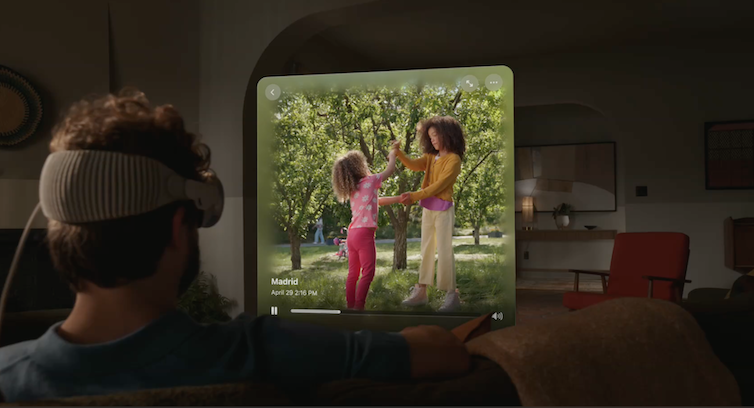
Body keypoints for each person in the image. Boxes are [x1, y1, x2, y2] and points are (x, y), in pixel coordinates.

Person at [0, 91, 470, 403]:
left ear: (58, 233)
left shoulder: (8, 375)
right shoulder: (267, 350)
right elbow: (442, 354)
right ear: (187, 222)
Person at [392, 117, 466, 312]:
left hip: (443, 210)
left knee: (444, 250)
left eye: (435, 136)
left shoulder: (454, 160)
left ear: (447, 135)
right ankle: (421, 291)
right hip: (428, 208)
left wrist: (414, 196)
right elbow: (414, 164)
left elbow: (438, 186)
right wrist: (399, 153)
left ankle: (451, 294)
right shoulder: (431, 157)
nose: (432, 140)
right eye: (430, 136)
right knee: (426, 249)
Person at [332, 150, 399, 310]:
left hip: (352, 235)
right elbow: (390, 170)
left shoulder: (354, 189)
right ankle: (359, 308)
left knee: (353, 274)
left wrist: (398, 198)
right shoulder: (371, 180)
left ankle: (351, 307)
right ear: (359, 166)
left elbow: (376, 201)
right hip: (364, 235)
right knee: (368, 273)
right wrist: (393, 156)